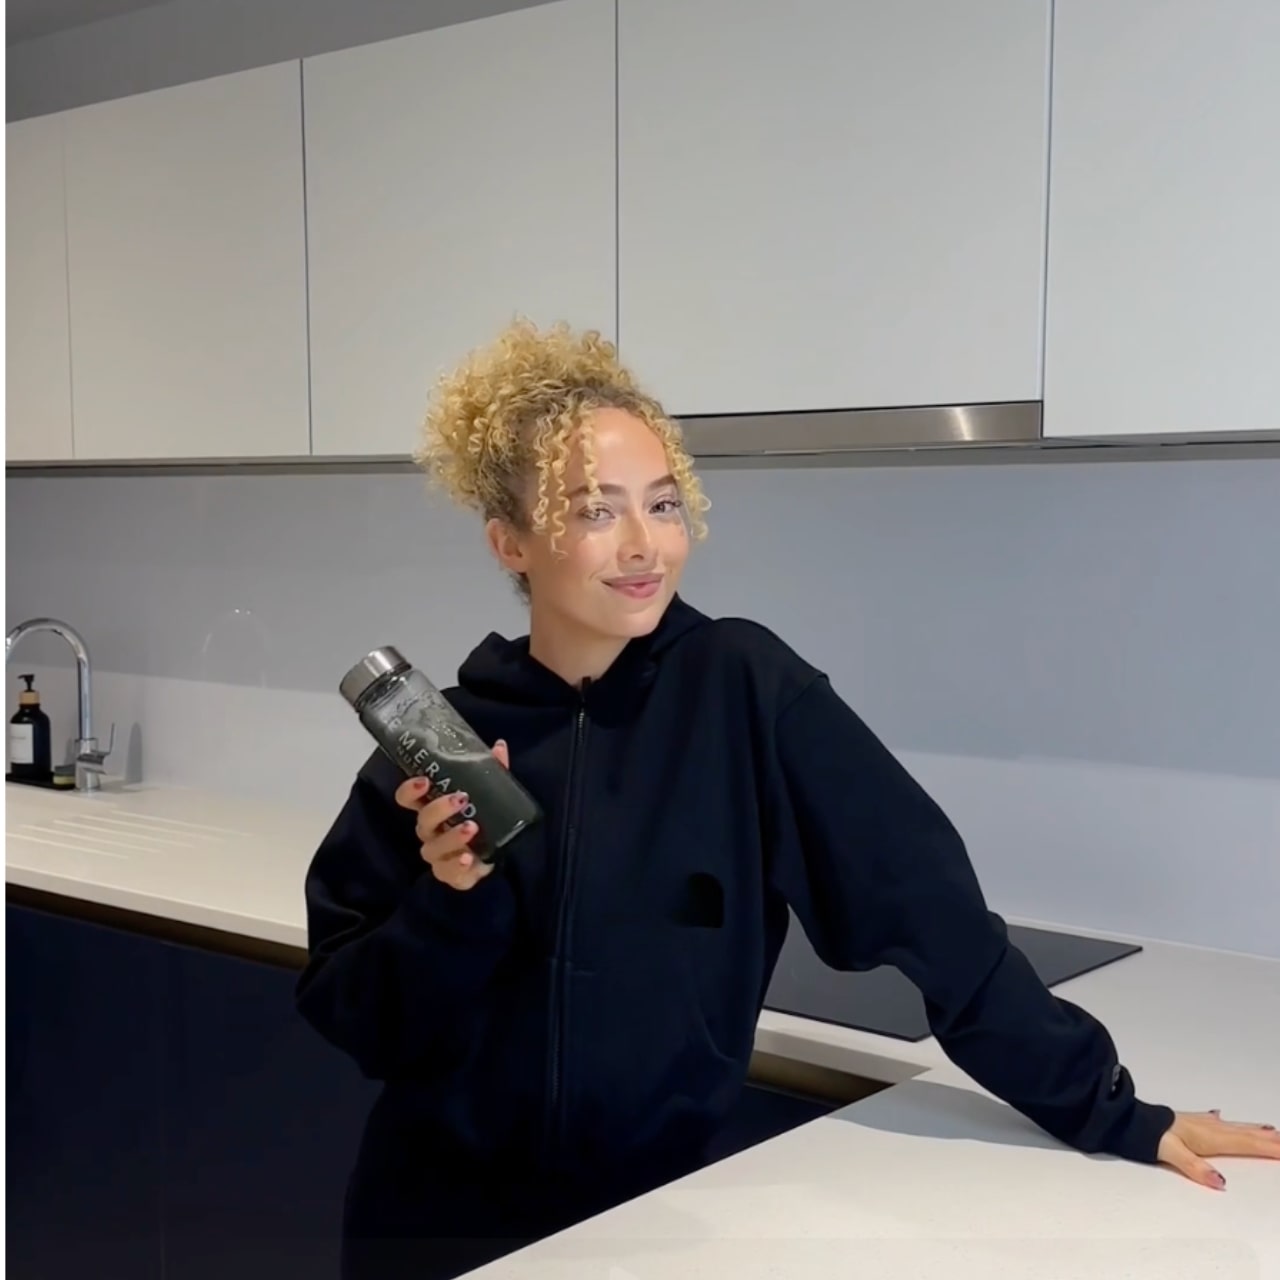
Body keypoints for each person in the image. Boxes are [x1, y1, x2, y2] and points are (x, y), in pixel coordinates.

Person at [296, 320, 1278, 1279]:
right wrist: (451, 898)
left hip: (646, 1225)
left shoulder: (743, 690)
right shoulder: (444, 747)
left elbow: (930, 912)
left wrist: (1110, 1110)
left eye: (663, 502)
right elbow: (360, 1021)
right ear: (509, 540)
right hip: (427, 1225)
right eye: (595, 510)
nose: (644, 543)